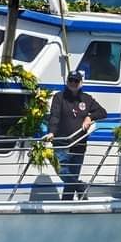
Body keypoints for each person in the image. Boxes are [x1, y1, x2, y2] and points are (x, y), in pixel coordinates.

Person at [47, 71, 107, 200]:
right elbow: (54, 116)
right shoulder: (59, 97)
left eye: (76, 81)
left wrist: (90, 117)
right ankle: (80, 186)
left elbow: (103, 112)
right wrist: (51, 131)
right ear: (67, 81)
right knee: (62, 171)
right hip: (62, 143)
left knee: (71, 179)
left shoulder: (87, 99)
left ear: (80, 83)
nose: (73, 83)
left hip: (79, 144)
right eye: (71, 80)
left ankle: (67, 205)